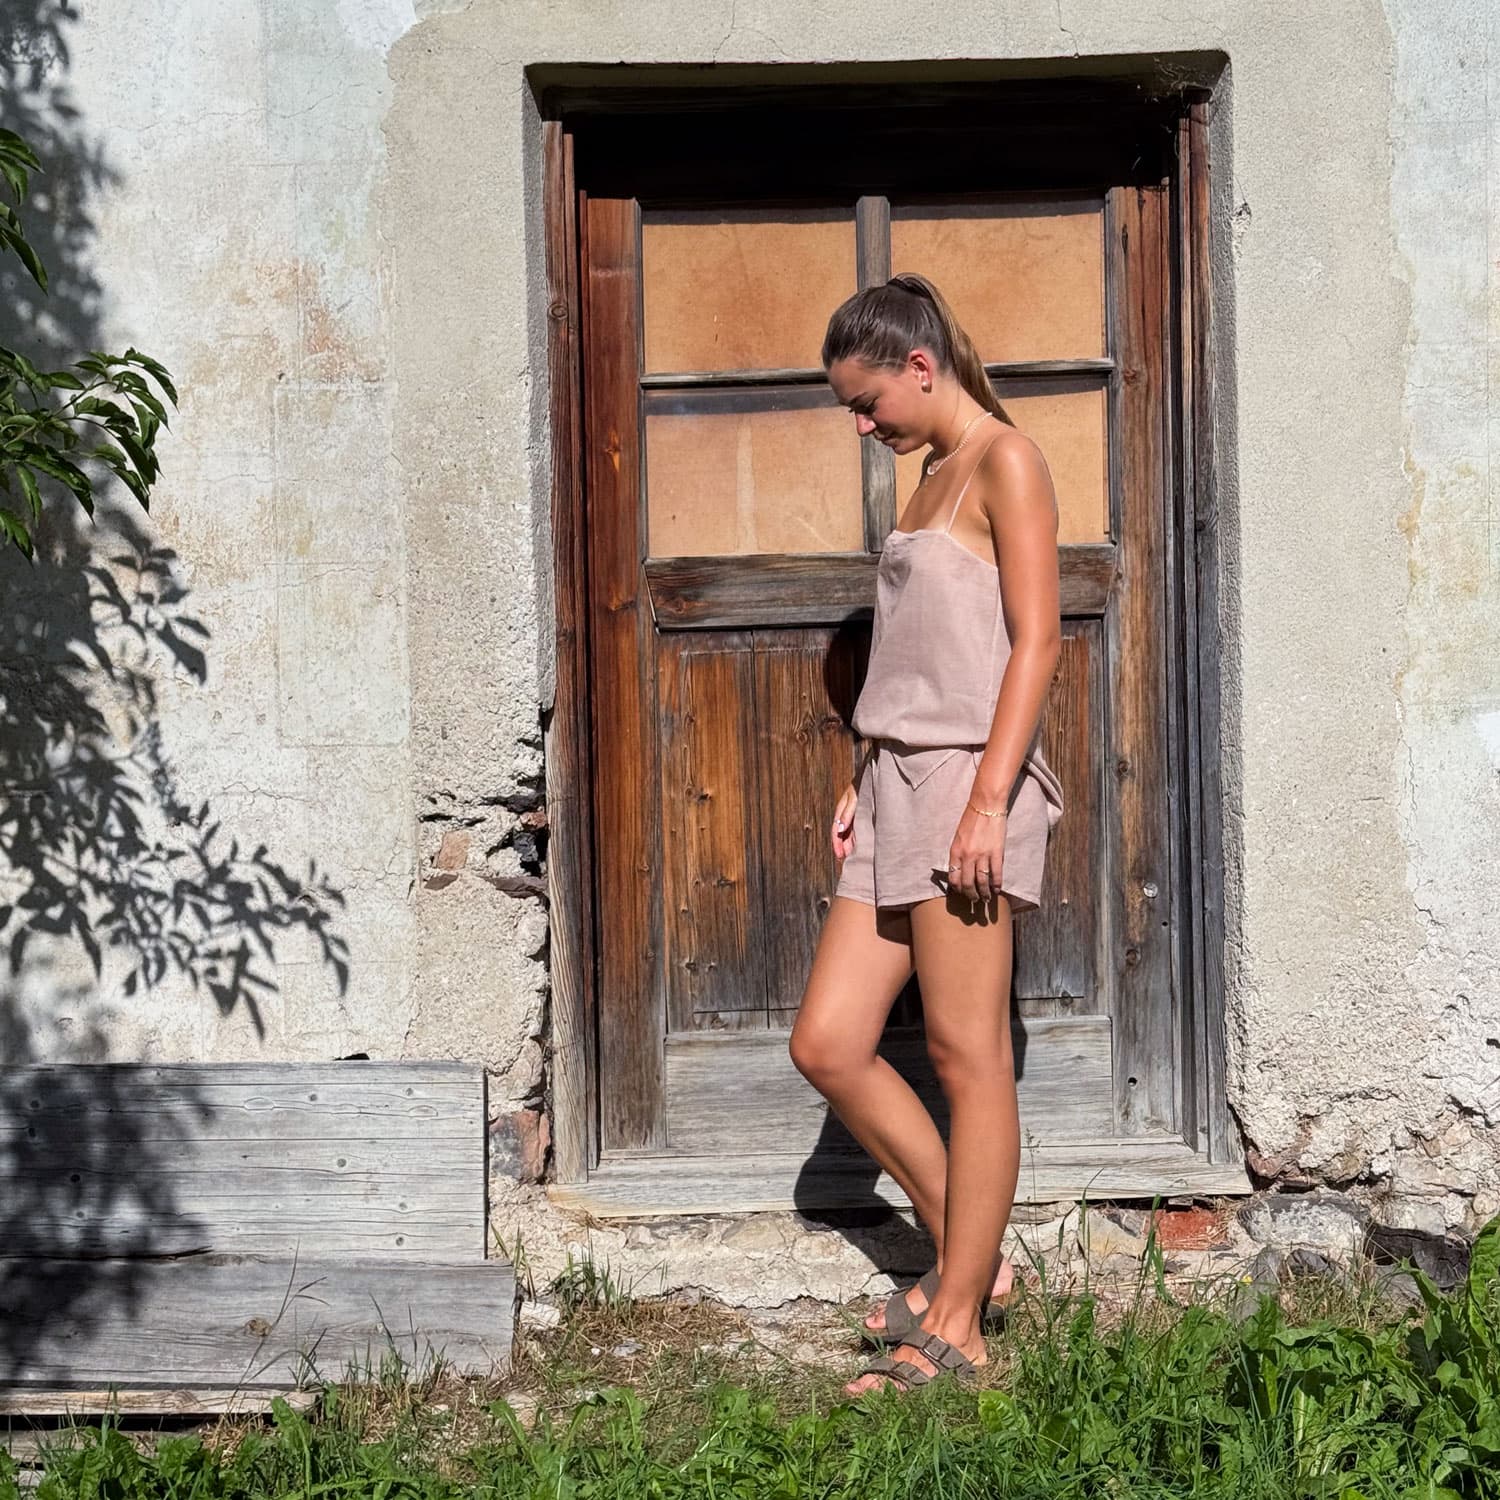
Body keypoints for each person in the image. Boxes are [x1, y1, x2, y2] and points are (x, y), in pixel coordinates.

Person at [788, 273, 1065, 1396]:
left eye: (867, 403)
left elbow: (1037, 642)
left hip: (964, 787)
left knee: (966, 1056)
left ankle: (957, 1325)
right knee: (829, 1041)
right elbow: (916, 656)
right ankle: (974, 1260)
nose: (863, 426)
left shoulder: (1007, 460)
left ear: (919, 364)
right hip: (895, 788)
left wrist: (989, 802)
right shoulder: (931, 477)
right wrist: (863, 775)